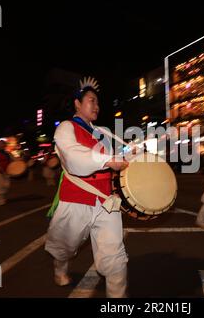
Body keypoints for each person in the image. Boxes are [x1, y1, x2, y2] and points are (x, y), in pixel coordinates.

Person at [44, 82, 129, 298]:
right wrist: (108, 160)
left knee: (115, 256)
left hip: (106, 201)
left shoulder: (104, 133)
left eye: (98, 102)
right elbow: (73, 158)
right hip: (75, 200)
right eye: (92, 101)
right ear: (77, 104)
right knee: (64, 247)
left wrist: (134, 155)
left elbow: (122, 158)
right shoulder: (65, 128)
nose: (97, 106)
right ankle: (60, 268)